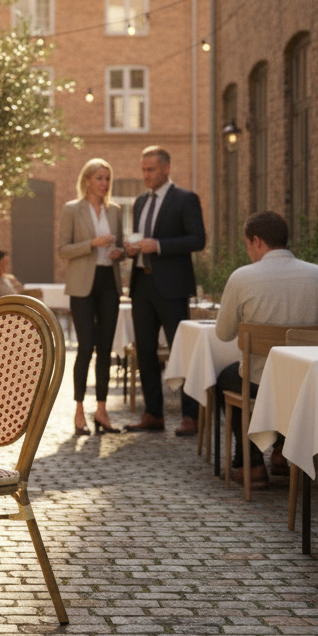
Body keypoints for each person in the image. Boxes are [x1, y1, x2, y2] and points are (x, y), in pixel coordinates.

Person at [215, 210, 318, 488]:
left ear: (257, 241)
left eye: (247, 244)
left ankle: (252, 462)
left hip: (259, 382)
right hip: (308, 383)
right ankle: (282, 454)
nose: (248, 251)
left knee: (226, 380)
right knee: (289, 383)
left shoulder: (242, 277)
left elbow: (223, 333)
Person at [123, 145, 206, 435]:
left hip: (172, 287)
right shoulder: (139, 202)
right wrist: (130, 248)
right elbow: (138, 239)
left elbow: (198, 239)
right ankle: (153, 413)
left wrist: (158, 245)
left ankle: (190, 416)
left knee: (180, 351)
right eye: (143, 169)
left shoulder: (185, 199)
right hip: (141, 284)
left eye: (151, 170)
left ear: (166, 168)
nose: (145, 175)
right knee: (145, 352)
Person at [58, 158, 125, 435]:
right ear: (87, 180)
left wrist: (119, 251)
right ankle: (78, 411)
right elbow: (63, 249)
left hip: (109, 282)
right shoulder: (72, 210)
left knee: (105, 349)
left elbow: (120, 245)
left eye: (107, 179)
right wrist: (92, 244)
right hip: (82, 285)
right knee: (85, 347)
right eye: (99, 178)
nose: (104, 184)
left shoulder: (116, 211)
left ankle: (101, 410)